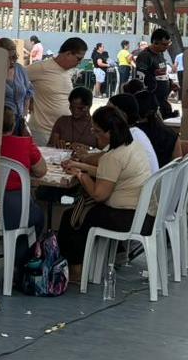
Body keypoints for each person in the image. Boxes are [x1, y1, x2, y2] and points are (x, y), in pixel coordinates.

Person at [55, 106, 152, 283]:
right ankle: (79, 266)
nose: (94, 134)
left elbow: (99, 194)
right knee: (78, 213)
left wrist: (80, 175)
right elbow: (108, 173)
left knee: (73, 218)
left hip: (126, 217)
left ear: (110, 132)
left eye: (97, 130)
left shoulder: (113, 157)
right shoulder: (131, 146)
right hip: (142, 213)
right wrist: (81, 166)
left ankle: (76, 270)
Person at [26, 37, 89, 145]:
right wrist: (28, 97)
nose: (79, 63)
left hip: (63, 133)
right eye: (78, 59)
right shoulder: (41, 68)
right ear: (68, 54)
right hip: (42, 132)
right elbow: (16, 78)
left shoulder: (69, 71)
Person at [0, 106, 47, 238]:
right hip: (18, 212)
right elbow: (41, 170)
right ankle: (29, 252)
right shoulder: (25, 144)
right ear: (14, 125)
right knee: (39, 217)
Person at [103, 93, 161, 173]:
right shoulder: (137, 132)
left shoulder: (127, 136)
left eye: (109, 112)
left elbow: (104, 163)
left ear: (123, 115)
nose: (104, 116)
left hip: (142, 184)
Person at [132, 28, 176, 119]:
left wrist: (171, 82)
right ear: (155, 42)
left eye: (168, 44)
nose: (167, 47)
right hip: (152, 100)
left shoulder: (160, 54)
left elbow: (162, 73)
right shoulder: (145, 56)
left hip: (162, 99)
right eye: (164, 44)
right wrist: (152, 73)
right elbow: (140, 78)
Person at [0, 37, 31, 136]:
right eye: (7, 58)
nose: (11, 61)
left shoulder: (20, 69)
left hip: (18, 121)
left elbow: (28, 93)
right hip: (0, 124)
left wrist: (24, 115)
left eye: (13, 57)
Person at [50, 86, 99, 151]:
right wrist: (56, 144)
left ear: (88, 106)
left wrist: (89, 148)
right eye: (72, 107)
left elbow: (103, 152)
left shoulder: (97, 125)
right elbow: (50, 146)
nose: (75, 111)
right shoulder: (62, 121)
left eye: (79, 108)